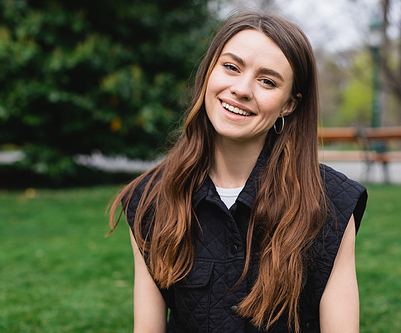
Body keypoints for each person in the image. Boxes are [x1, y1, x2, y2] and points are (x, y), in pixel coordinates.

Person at [109, 11, 367, 333]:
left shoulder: (331, 201)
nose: (242, 89)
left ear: (289, 104)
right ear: (209, 74)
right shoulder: (148, 198)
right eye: (231, 67)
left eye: (267, 81)